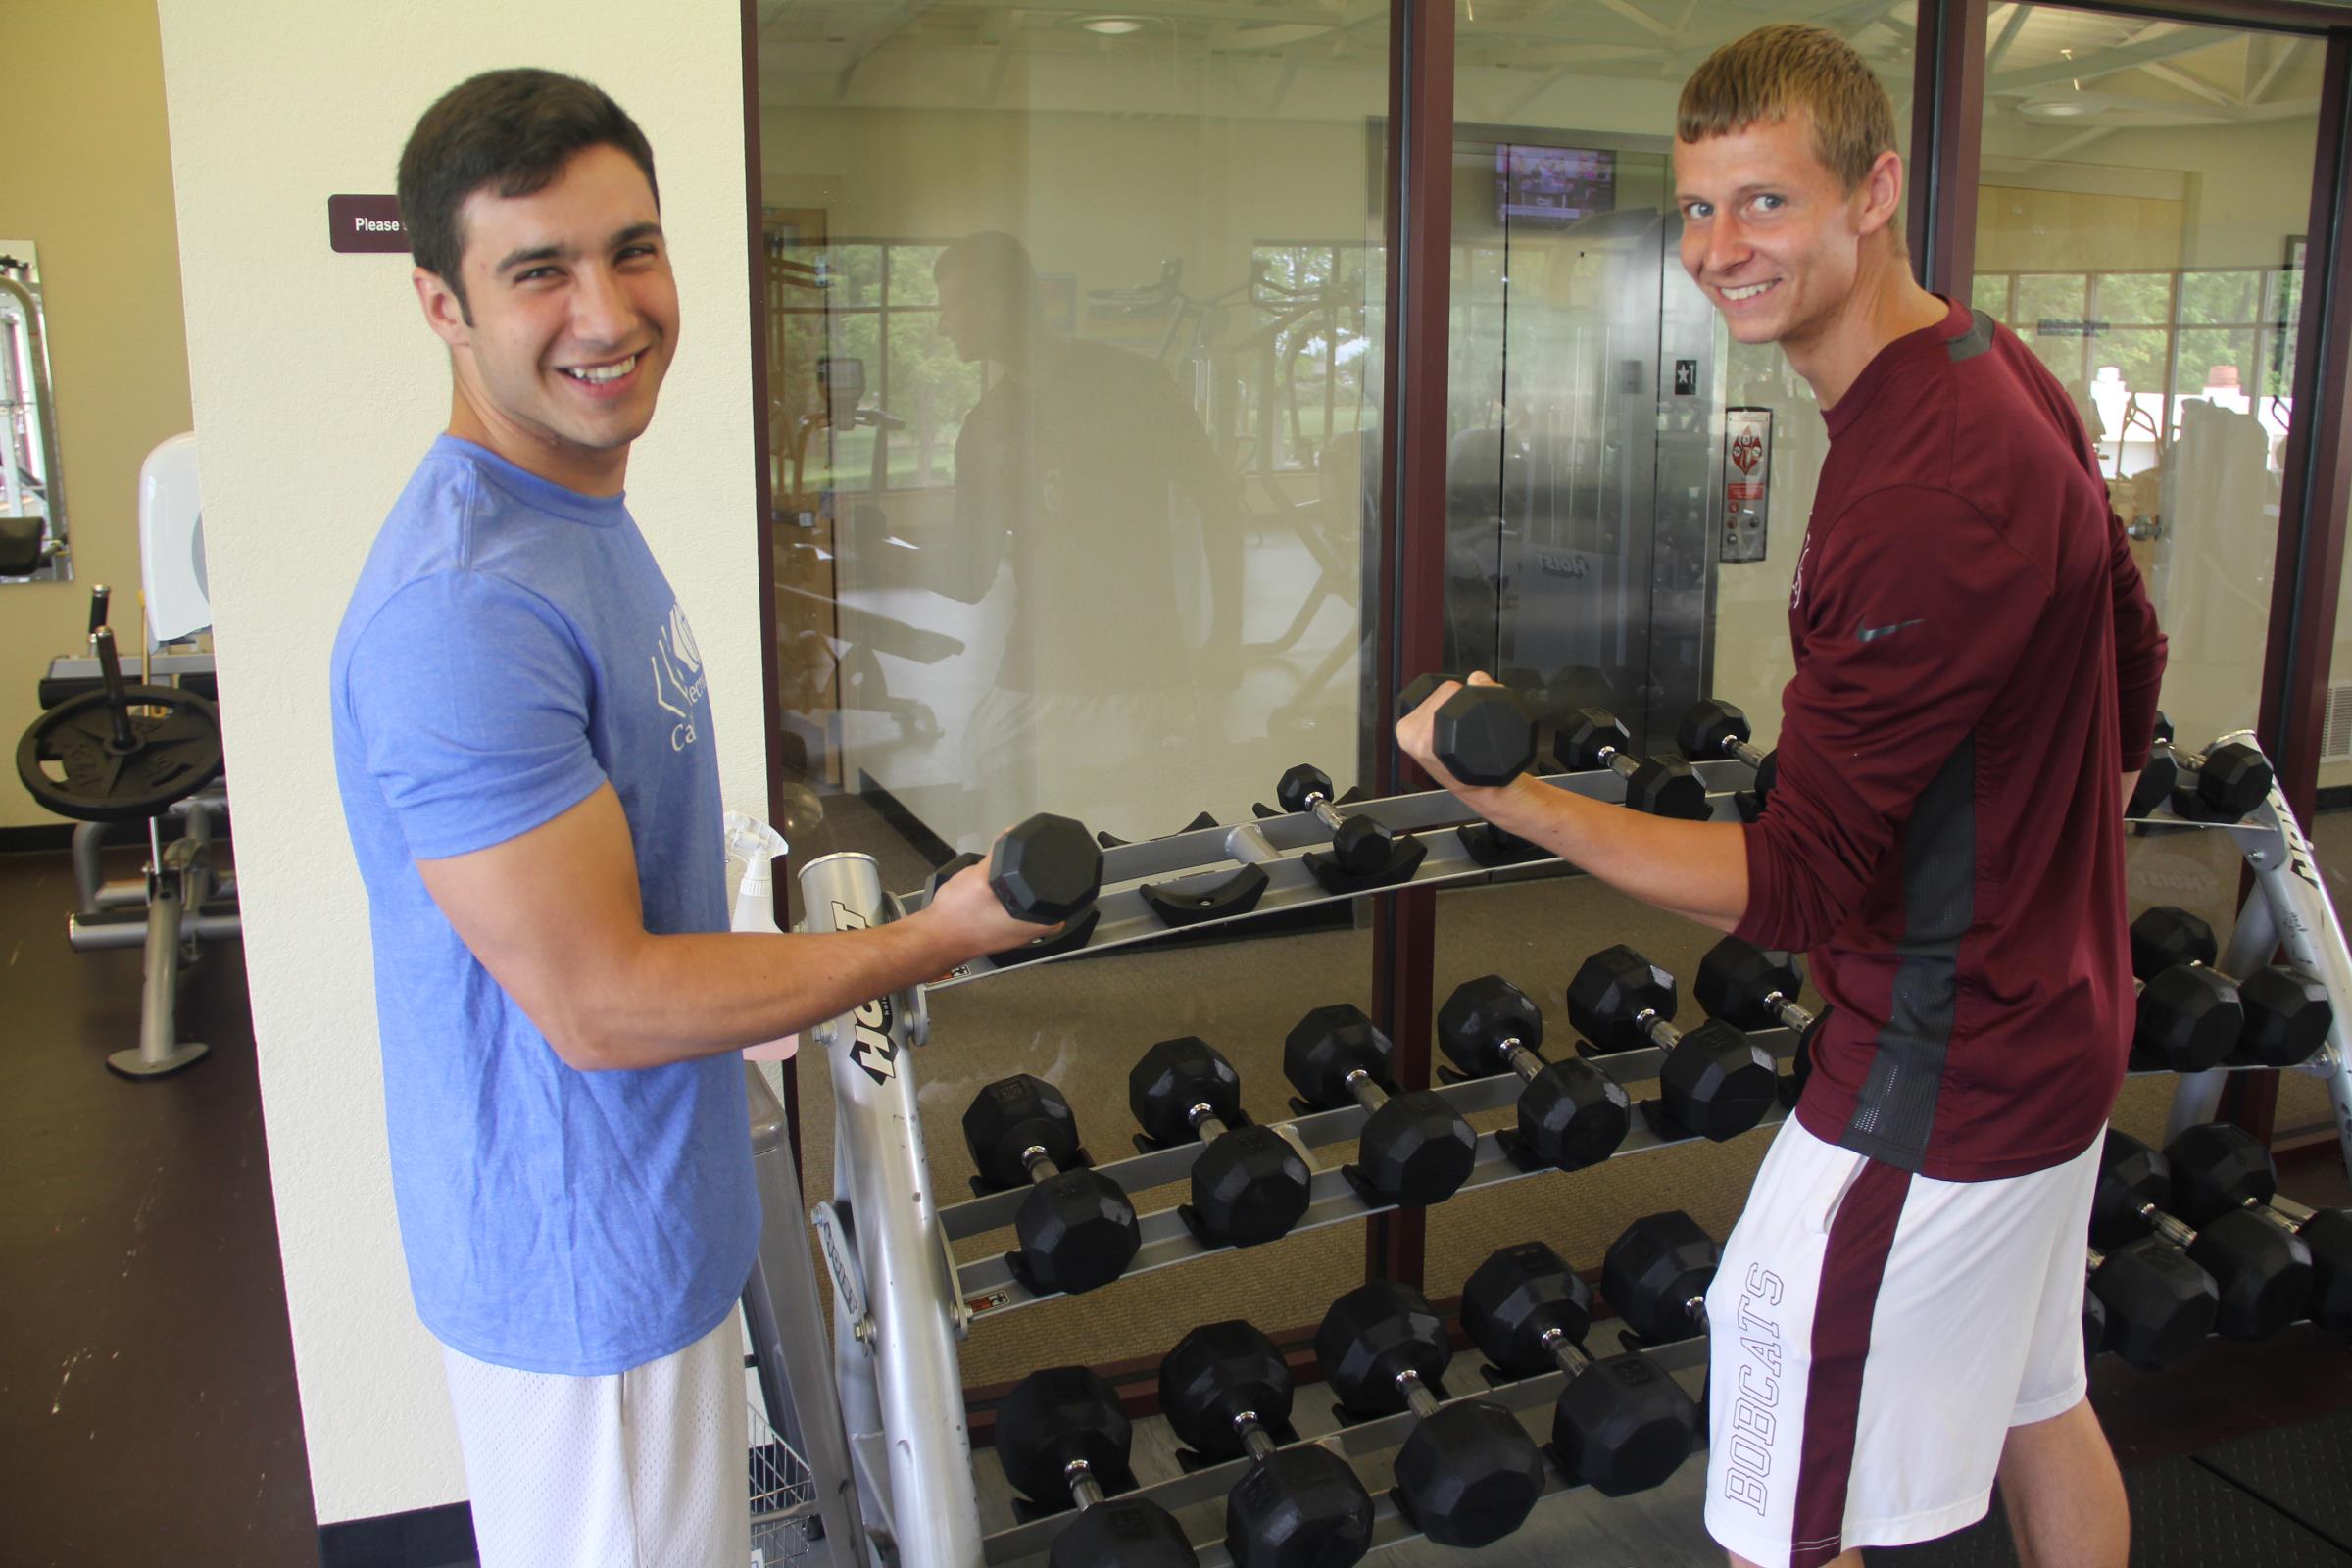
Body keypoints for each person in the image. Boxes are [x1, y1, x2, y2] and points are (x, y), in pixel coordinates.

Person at [1398, 24, 2165, 1568]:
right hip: (2061, 1015)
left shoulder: (1920, 492)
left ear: (1873, 191)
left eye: (1767, 204)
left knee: (1780, 1502)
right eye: (1696, 207)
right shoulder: (1984, 365)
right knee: (2034, 1406)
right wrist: (2030, 851)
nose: (1718, 249)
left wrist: (1518, 802)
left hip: (1941, 1076)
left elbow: (1799, 882)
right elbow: (2130, 659)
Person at [328, 70, 1046, 1567]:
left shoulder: (573, 507)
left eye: (631, 250)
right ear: (441, 306)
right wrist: (931, 939)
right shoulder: (465, 608)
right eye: (538, 270)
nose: (607, 312)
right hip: (581, 1275)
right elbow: (598, 1004)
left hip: (651, 1219)